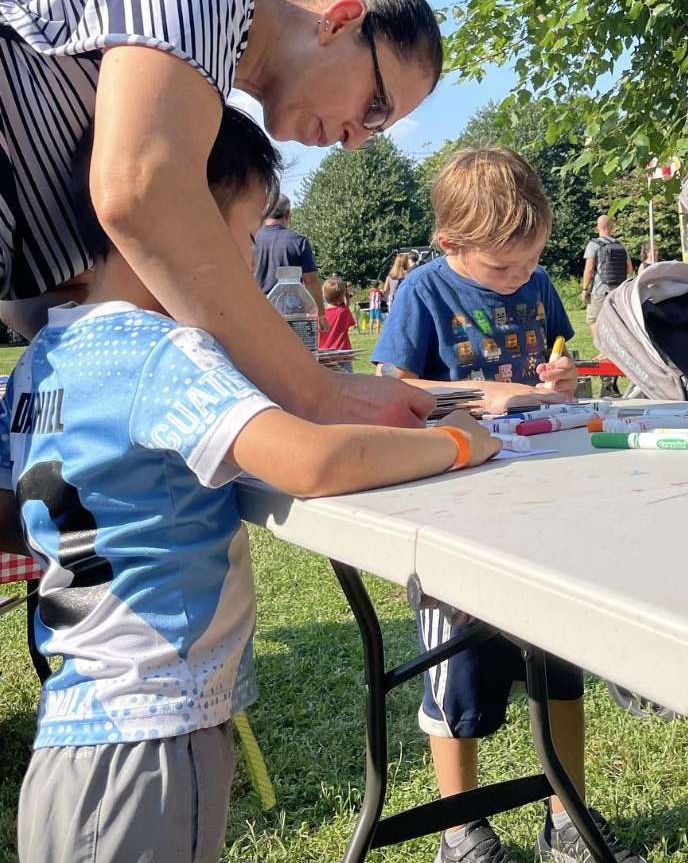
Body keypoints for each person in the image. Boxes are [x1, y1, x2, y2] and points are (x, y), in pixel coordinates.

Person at [0, 107, 498, 863]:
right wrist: (455, 442)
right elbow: (313, 462)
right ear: (177, 222)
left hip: (78, 721)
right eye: (239, 240)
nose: (247, 266)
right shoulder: (164, 350)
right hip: (154, 731)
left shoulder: (43, 356)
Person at [0, 0, 444, 430]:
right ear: (342, 21)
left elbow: (29, 303)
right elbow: (141, 193)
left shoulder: (181, 124)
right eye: (375, 108)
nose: (355, 142)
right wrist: (316, 393)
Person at [374, 149, 644, 863]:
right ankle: (461, 831)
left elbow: (559, 371)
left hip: (542, 499)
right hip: (455, 506)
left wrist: (562, 375)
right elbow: (391, 387)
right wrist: (479, 395)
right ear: (450, 245)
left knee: (559, 665)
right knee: (455, 680)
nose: (522, 278)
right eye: (503, 269)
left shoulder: (539, 283)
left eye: (531, 262)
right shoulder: (423, 293)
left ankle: (567, 820)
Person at [253, 194, 324, 314]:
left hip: (256, 311)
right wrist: (321, 314)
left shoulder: (250, 239)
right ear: (287, 214)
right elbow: (311, 281)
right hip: (290, 313)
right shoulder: (298, 241)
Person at [580, 216, 632, 334]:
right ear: (612, 227)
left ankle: (602, 350)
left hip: (600, 290)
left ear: (598, 227)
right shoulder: (621, 246)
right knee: (616, 321)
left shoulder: (593, 245)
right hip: (618, 290)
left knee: (594, 319)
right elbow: (629, 269)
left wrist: (584, 289)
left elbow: (589, 268)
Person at [319, 275, 356, 370]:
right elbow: (350, 324)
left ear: (324, 295)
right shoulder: (345, 311)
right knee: (347, 379)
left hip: (324, 353)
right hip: (343, 352)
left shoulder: (320, 314)